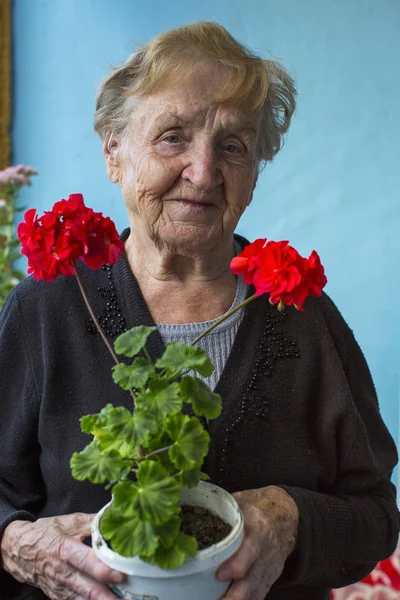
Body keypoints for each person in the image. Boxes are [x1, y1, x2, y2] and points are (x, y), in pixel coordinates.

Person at [0, 21, 398, 600]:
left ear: (254, 174)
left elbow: (376, 516)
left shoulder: (302, 316)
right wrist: (17, 546)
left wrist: (292, 521)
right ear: (113, 150)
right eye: (172, 137)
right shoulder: (44, 309)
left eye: (233, 146)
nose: (204, 171)